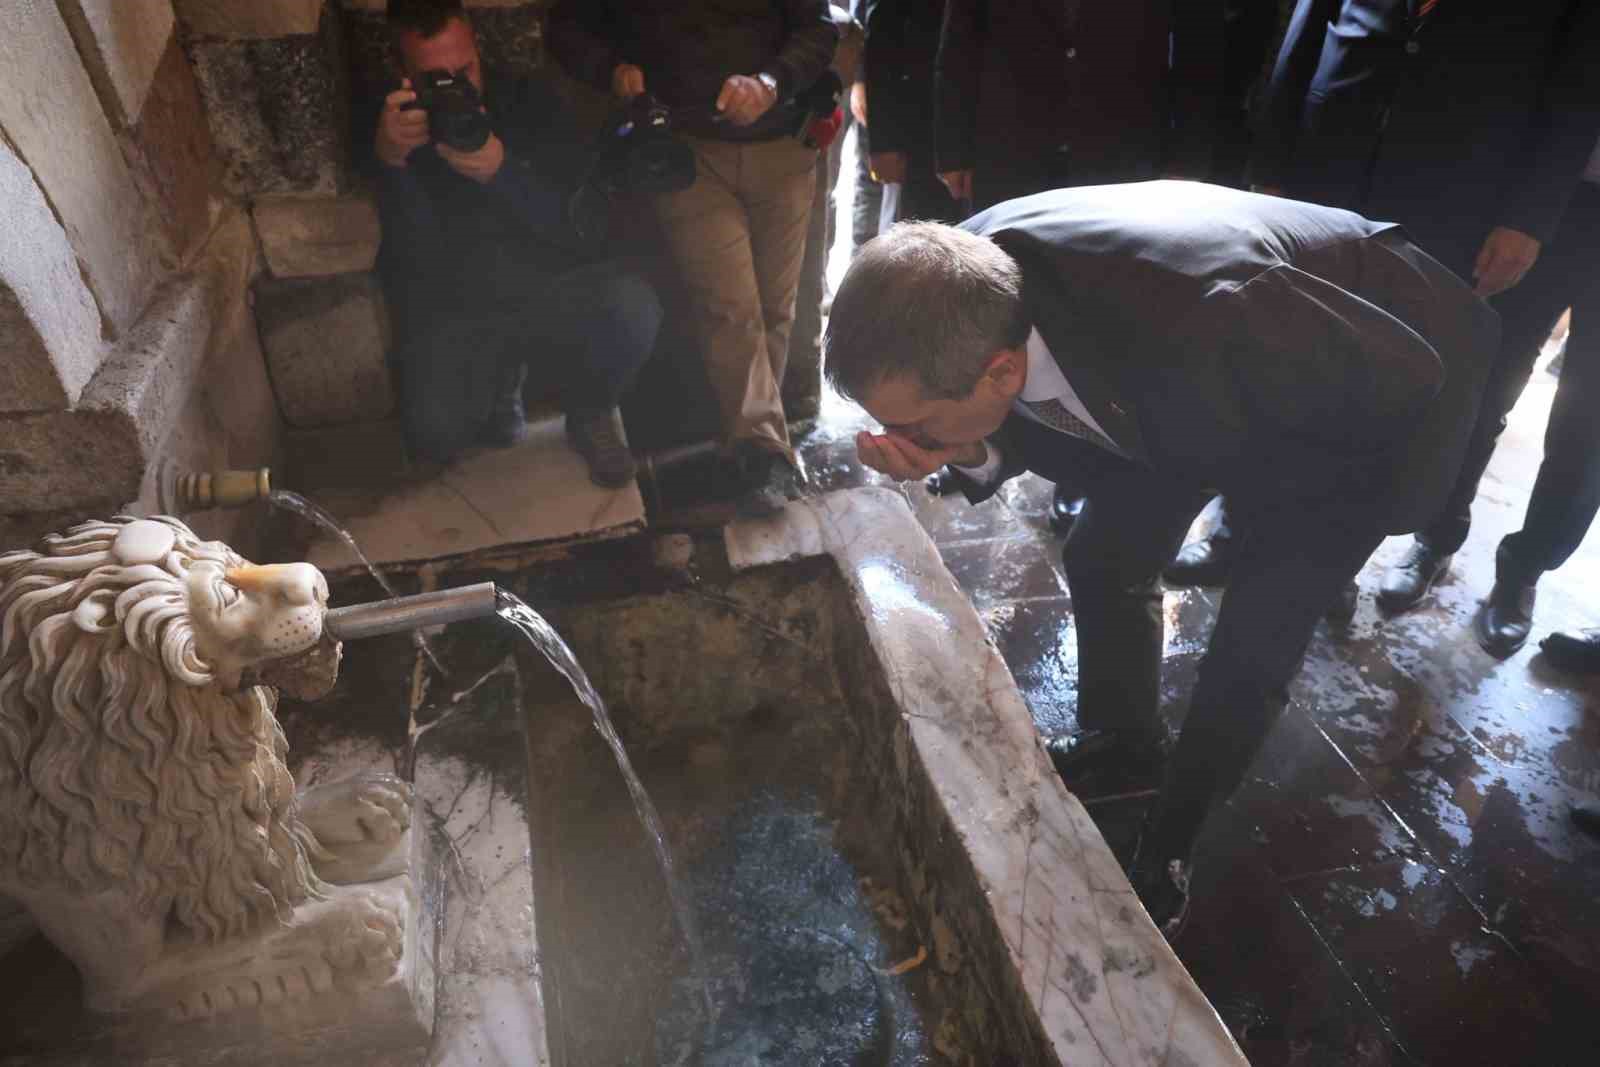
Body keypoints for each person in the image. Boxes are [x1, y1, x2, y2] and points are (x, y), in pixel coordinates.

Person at [824, 182, 1497, 936]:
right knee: (1106, 553)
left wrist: (1288, 524)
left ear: (1001, 373)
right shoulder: (971, 280)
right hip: (1200, 378)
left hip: (1376, 373)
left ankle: (1174, 836)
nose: (901, 436)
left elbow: (1410, 376)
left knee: (1254, 637)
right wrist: (964, 446)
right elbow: (1061, 407)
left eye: (914, 422)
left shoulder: (1209, 319)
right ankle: (1127, 740)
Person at [1168, 0, 1600, 597]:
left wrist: (1528, 218)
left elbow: (1577, 84)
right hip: (1329, 167)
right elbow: (1308, 24)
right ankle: (1236, 528)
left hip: (1457, 193)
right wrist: (1272, 160)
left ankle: (1330, 564)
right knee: (1283, 358)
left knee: (1394, 386)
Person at [933, 0, 1226, 534]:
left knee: (1093, 319)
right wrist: (952, 146)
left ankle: (1075, 469)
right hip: (1012, 138)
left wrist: (1187, 165)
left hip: (1119, 145)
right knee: (990, 297)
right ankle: (976, 438)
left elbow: (1198, 57)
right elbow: (963, 33)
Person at [547, 0, 838, 514]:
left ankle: (754, 440)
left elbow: (817, 28)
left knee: (775, 306)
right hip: (685, 152)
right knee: (731, 307)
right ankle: (762, 449)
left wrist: (771, 81)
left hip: (785, 145)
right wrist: (611, 69)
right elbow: (567, 29)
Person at [371, 0, 661, 486]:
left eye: (464, 69)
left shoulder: (530, 100)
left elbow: (583, 228)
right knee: (432, 437)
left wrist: (503, 172)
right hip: (458, 306)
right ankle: (499, 382)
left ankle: (590, 408)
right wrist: (392, 164)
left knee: (633, 305)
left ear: (478, 51)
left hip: (546, 289)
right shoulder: (393, 123)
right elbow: (412, 260)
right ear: (402, 73)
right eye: (435, 78)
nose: (456, 87)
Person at [1468, 138, 1600, 655]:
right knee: (1484, 385)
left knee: (1588, 429)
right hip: (1555, 198)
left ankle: (1522, 573)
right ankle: (1434, 536)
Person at [859, 0, 962, 230]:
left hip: (996, 118)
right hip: (922, 122)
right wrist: (884, 141)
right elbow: (883, 36)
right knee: (921, 237)